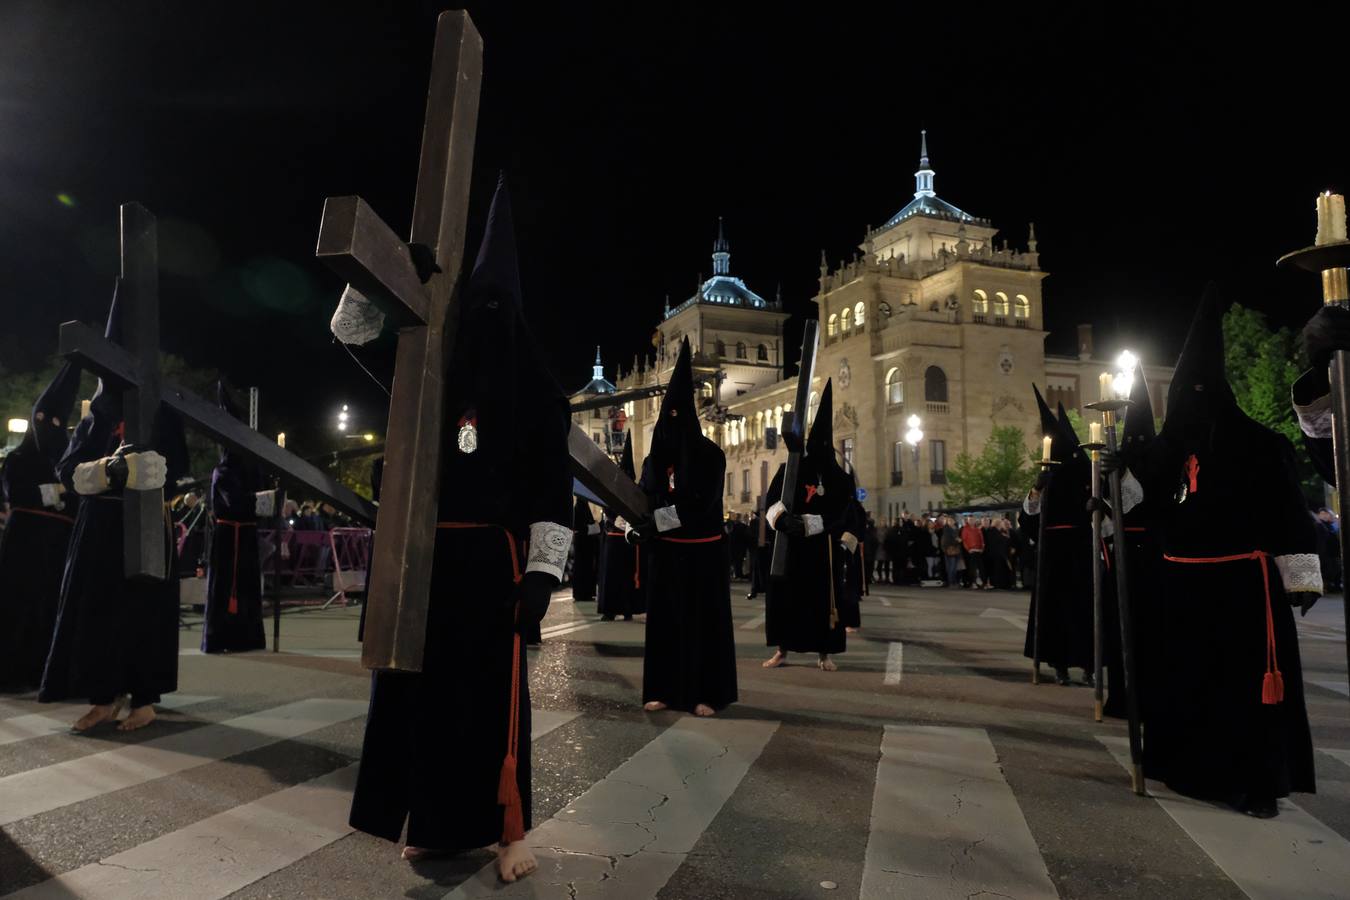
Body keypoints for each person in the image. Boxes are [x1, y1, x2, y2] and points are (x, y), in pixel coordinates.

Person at [346, 178, 572, 881]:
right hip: (425, 556)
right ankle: (429, 820)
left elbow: (550, 484)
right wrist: (381, 282)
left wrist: (542, 574)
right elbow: (352, 338)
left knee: (490, 704)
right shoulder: (435, 366)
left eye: (499, 309)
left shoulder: (538, 390)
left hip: (493, 566)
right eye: (480, 306)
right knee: (421, 694)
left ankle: (509, 834)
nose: (488, 319)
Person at [1134, 285, 1320, 819]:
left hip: (1242, 591)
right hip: (1184, 592)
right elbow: (1139, 513)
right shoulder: (1165, 454)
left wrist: (1301, 577)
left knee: (1239, 693)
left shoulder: (1261, 445)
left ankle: (1253, 782)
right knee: (1190, 686)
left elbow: (1290, 514)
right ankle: (1186, 766)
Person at [40, 285, 187, 731]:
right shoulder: (97, 415)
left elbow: (177, 467)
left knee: (144, 612)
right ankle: (102, 697)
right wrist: (108, 470)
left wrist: (155, 471)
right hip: (100, 528)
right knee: (97, 612)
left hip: (145, 524)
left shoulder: (164, 411)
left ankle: (143, 698)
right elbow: (68, 468)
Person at [626, 338, 736, 716]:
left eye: (677, 418)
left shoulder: (711, 457)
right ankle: (662, 689)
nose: (670, 428)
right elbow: (640, 499)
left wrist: (654, 522)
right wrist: (632, 527)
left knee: (702, 625)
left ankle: (707, 693)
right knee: (665, 624)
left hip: (702, 552)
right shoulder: (652, 461)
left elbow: (699, 505)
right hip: (666, 555)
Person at [762, 380, 858, 671]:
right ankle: (782, 649)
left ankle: (824, 653)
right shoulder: (789, 469)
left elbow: (843, 513)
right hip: (789, 548)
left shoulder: (840, 479)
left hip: (821, 550)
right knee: (786, 598)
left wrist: (807, 525)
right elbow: (771, 501)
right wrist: (781, 520)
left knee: (822, 602)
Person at [0, 360, 81, 692]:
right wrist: (60, 490)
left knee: (48, 609)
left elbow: (77, 499)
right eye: (41, 421)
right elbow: (19, 493)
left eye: (56, 422)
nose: (47, 427)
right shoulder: (18, 459)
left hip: (56, 547)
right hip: (23, 542)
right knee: (18, 606)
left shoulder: (68, 460)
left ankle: (44, 671)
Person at [1022, 385, 1094, 686]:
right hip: (1053, 554)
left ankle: (1090, 665)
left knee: (1084, 609)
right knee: (1056, 612)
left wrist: (1095, 503)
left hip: (1080, 551)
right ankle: (1059, 663)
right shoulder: (1047, 476)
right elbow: (1027, 518)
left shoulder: (1084, 472)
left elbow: (1098, 509)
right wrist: (1037, 489)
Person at [201, 383, 269, 654]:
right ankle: (221, 638)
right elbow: (238, 501)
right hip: (230, 535)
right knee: (224, 587)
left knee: (248, 588)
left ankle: (247, 637)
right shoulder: (224, 471)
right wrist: (265, 499)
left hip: (246, 534)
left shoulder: (251, 470)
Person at [596, 438, 645, 621]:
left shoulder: (637, 491)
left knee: (627, 578)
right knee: (612, 577)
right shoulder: (613, 489)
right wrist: (614, 518)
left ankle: (627, 609)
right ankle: (610, 610)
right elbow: (607, 508)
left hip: (629, 540)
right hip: (614, 538)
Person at [570, 496, 599, 603]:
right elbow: (578, 526)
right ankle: (582, 594)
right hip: (583, 542)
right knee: (583, 568)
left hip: (584, 543)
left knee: (584, 568)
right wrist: (592, 527)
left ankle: (585, 593)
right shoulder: (578, 509)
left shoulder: (578, 508)